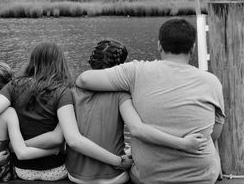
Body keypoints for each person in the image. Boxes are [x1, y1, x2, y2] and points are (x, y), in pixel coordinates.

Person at [76, 19, 225, 184]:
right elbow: (214, 134)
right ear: (193, 47)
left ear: (159, 45)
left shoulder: (137, 71)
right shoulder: (212, 82)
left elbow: (84, 80)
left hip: (148, 178)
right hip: (202, 177)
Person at [0, 43, 133, 181]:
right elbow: (60, 138)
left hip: (22, 170)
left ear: (33, 61)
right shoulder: (63, 91)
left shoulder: (13, 85)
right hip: (56, 170)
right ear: (60, 63)